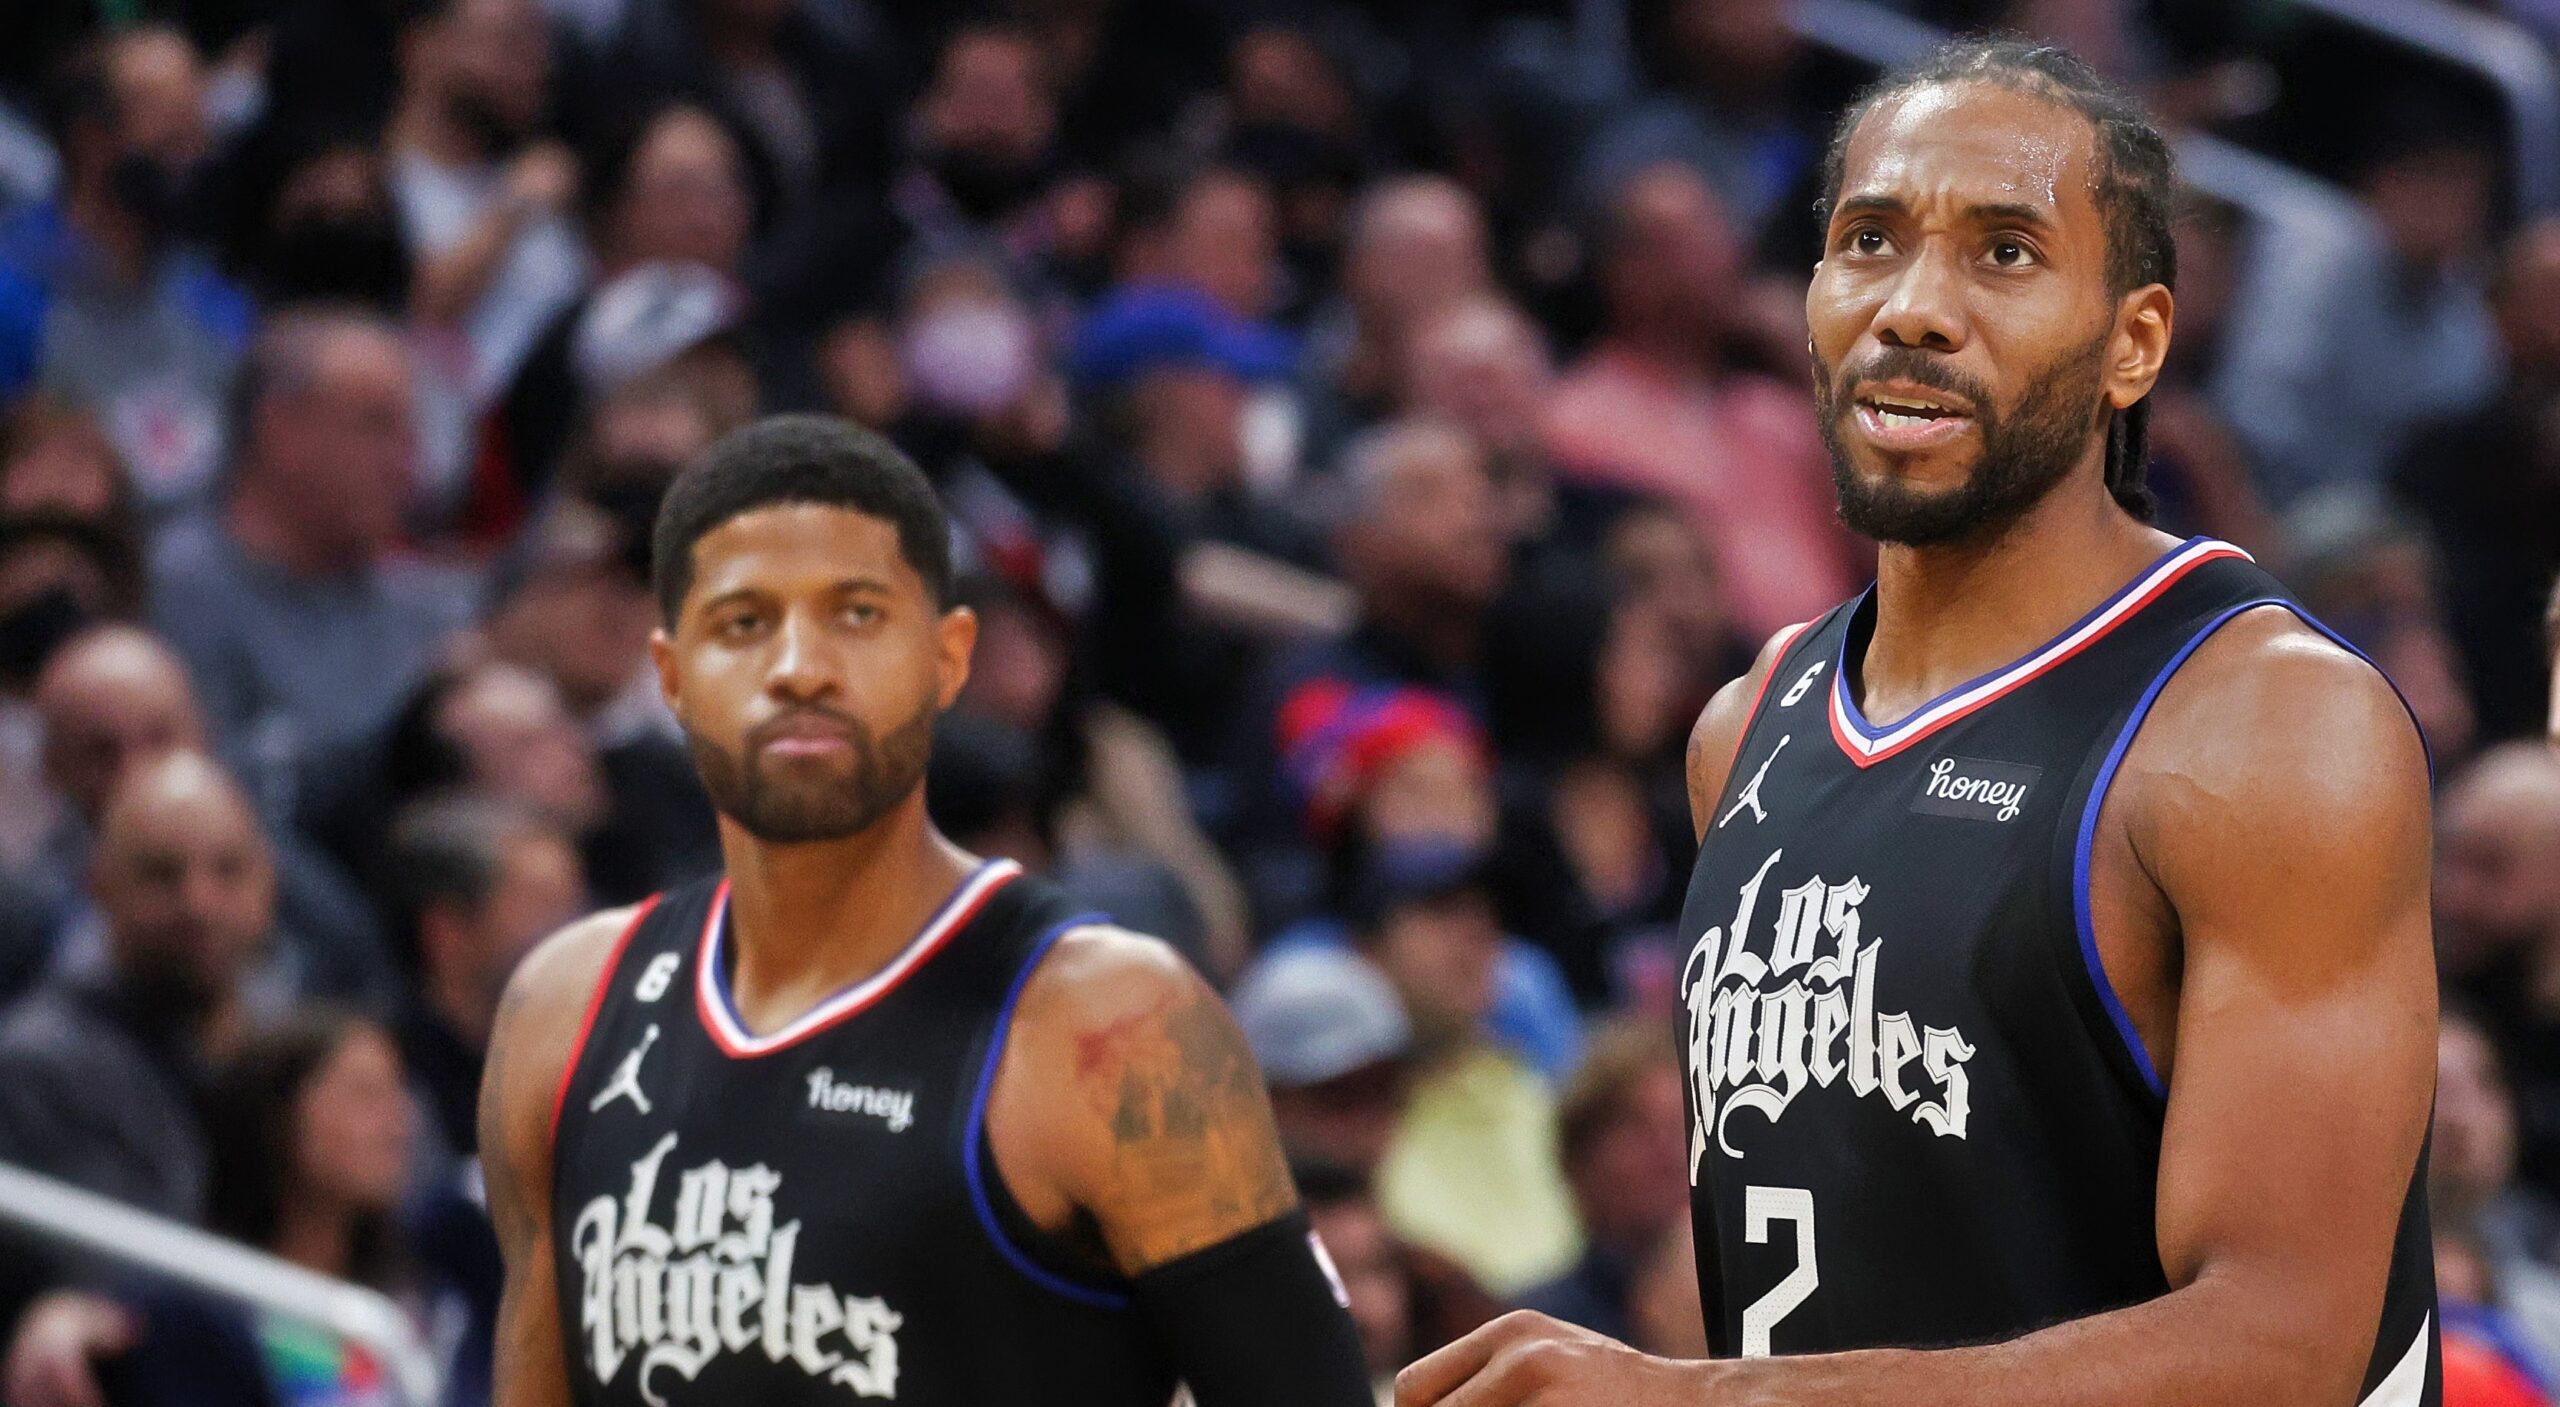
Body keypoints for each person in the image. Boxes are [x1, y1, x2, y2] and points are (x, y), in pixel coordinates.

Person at [1402, 39, 2439, 1405]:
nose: (1914, 306)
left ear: (2133, 342)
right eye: (1869, 241)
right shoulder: (1747, 724)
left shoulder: (2264, 724)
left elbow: (2281, 1348)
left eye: (2003, 253)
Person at [477, 415, 1368, 1403]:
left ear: (947, 660)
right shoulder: (564, 1008)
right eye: (743, 622)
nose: (798, 667)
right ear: (673, 676)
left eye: (856, 615)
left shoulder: (1113, 1021)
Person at [0, 751, 277, 1398]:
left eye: (227, 871)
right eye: (162, 874)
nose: (199, 902)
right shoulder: (38, 1066)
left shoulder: (293, 1042)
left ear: (270, 884)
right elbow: (127, 1288)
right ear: (99, 886)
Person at [110, 1009, 425, 1407]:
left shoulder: (426, 1291)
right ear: (280, 1120)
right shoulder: (194, 1316)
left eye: (398, 1093)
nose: (401, 1123)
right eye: (365, 1095)